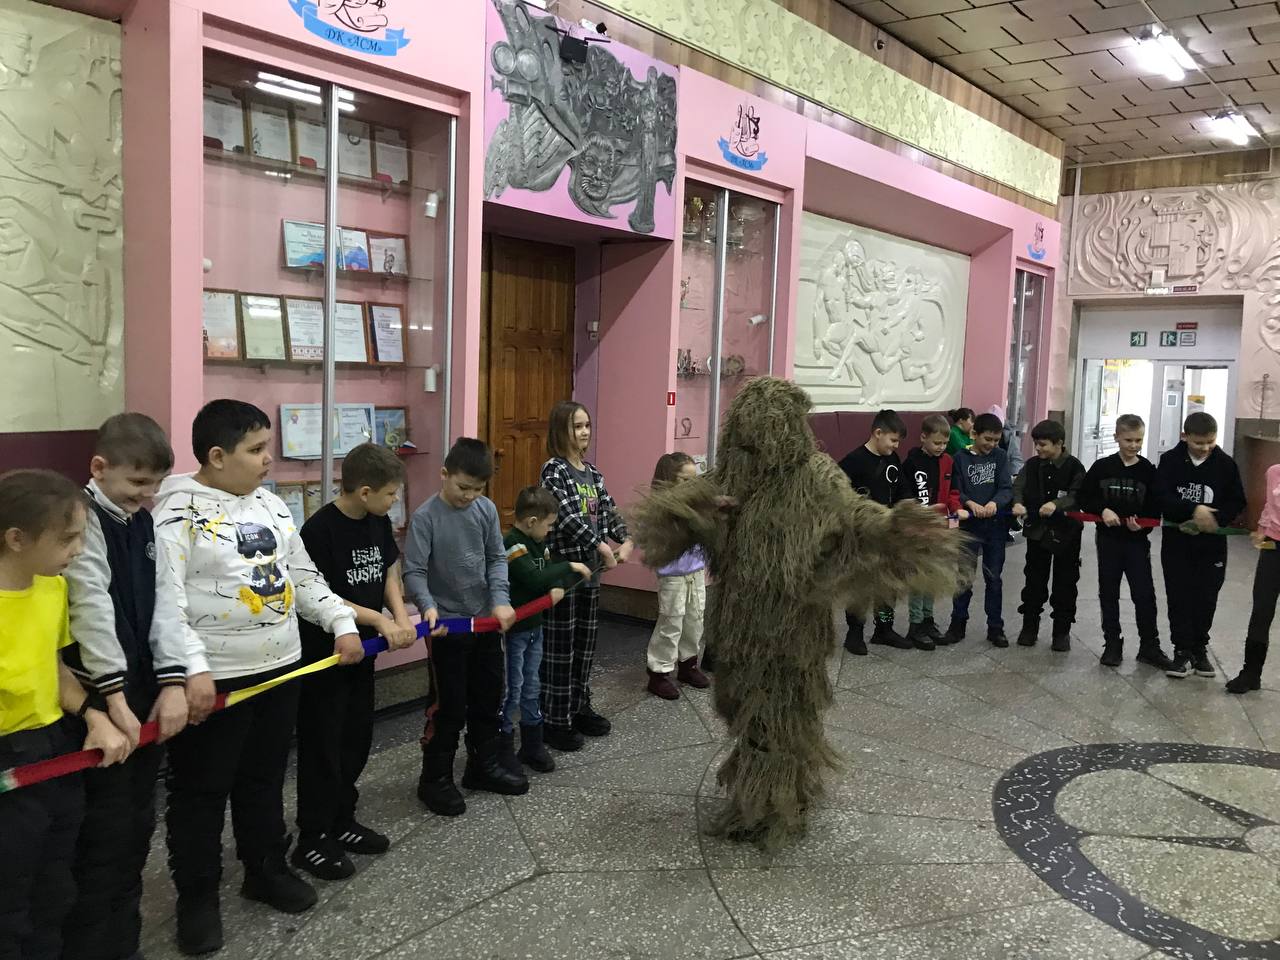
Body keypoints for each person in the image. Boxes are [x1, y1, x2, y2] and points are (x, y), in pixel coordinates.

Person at [629, 377, 962, 849]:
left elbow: (853, 513)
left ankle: (778, 803)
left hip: (794, 627)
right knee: (748, 713)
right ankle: (758, 798)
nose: (759, 443)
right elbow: (670, 518)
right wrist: (703, 511)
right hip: (741, 625)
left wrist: (895, 527)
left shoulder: (815, 474)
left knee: (787, 715)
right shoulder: (734, 474)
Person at [154, 400, 363, 956]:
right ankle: (197, 897)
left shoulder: (271, 505)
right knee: (201, 792)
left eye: (267, 446)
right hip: (217, 683)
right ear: (217, 456)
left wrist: (340, 621)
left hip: (280, 670)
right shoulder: (176, 512)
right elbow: (166, 601)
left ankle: (264, 868)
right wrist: (192, 668)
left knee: (264, 778)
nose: (269, 459)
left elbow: (302, 576)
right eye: (256, 449)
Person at [62, 414, 190, 960]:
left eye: (154, 485)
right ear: (100, 468)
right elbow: (90, 608)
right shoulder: (81, 519)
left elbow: (165, 602)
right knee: (102, 837)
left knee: (137, 826)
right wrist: (113, 698)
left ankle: (124, 942)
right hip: (102, 699)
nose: (146, 495)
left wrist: (173, 679)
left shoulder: (143, 520)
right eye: (138, 482)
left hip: (142, 693)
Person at [0, 470, 130, 960]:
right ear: (16, 539)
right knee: (9, 898)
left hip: (53, 747)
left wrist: (94, 714)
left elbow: (54, 671)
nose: (78, 550)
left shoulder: (51, 588)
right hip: (8, 761)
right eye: (66, 539)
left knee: (54, 886)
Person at [292, 443, 417, 881]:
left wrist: (399, 615)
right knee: (323, 747)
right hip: (326, 657)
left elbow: (388, 570)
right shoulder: (319, 530)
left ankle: (342, 820)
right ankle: (312, 837)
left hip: (364, 652)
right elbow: (321, 594)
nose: (394, 502)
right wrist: (379, 620)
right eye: (390, 494)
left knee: (355, 739)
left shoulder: (376, 521)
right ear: (364, 492)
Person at [404, 438, 519, 817]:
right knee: (448, 705)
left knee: (489, 695)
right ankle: (434, 778)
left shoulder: (485, 510)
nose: (469, 496)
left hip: (485, 622)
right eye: (463, 487)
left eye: (478, 489)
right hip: (447, 629)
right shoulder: (426, 517)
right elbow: (414, 571)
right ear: (444, 474)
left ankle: (482, 766)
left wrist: (500, 599)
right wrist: (428, 607)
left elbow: (496, 559)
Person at [539, 401, 633, 752]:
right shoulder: (554, 470)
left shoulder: (593, 473)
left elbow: (608, 511)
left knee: (584, 647)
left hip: (591, 577)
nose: (584, 432)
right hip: (564, 576)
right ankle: (555, 719)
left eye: (587, 425)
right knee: (560, 650)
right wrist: (601, 545)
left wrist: (626, 539)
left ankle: (579, 706)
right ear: (560, 430)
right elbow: (565, 516)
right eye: (576, 426)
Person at [502, 485, 591, 768]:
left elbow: (549, 574)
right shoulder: (513, 544)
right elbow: (534, 579)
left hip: (534, 629)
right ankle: (503, 750)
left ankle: (532, 745)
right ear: (532, 522)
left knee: (533, 687)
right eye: (549, 525)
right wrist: (570, 567)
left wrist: (557, 583)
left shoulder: (540, 543)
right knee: (512, 690)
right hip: (515, 633)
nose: (550, 531)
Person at [1077, 414, 1172, 670]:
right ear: (1116, 437)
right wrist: (1102, 509)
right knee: (1108, 591)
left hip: (1137, 543)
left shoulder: (1148, 471)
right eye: (1128, 440)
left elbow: (1155, 506)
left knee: (1144, 593)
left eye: (1138, 440)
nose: (1133, 445)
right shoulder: (1102, 467)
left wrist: (1142, 524)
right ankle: (1112, 643)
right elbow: (1085, 497)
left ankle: (1149, 646)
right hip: (1108, 541)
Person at [1156, 412, 1246, 681]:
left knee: (1206, 596)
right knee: (1179, 595)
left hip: (1212, 546)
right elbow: (1161, 497)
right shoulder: (1170, 461)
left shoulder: (1226, 464)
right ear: (1185, 436)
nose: (1205, 448)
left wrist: (1215, 518)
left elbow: (1237, 501)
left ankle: (1199, 648)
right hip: (1177, 544)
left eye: (1210, 442)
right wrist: (1193, 510)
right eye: (1199, 443)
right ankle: (1181, 650)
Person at [838, 409, 909, 652]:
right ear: (878, 433)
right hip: (862, 536)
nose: (896, 446)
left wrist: (905, 510)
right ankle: (854, 633)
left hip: (888, 533)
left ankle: (884, 629)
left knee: (888, 583)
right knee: (860, 585)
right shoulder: (854, 461)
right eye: (893, 440)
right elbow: (839, 495)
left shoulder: (893, 459)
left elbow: (901, 489)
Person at [1011, 419, 1084, 652]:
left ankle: (1061, 632)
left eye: (1043, 444)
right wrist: (1018, 502)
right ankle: (1029, 627)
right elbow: (1018, 486)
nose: (1038, 448)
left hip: (1066, 534)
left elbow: (1078, 494)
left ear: (1059, 443)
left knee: (1065, 582)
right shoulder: (1032, 465)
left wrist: (1056, 504)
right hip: (1037, 532)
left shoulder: (1074, 467)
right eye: (1036, 444)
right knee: (1034, 580)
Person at [645, 453, 709, 699]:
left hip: (696, 571)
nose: (691, 485)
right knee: (671, 622)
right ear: (668, 480)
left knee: (695, 619)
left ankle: (688, 665)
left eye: (694, 480)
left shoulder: (695, 504)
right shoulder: (660, 508)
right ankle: (659, 673)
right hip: (673, 575)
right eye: (685, 480)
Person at [899, 414, 966, 649]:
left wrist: (955, 513)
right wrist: (918, 516)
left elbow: (953, 493)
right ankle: (915, 624)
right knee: (919, 577)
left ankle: (928, 620)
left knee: (933, 575)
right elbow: (906, 495)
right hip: (919, 528)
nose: (941, 447)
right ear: (923, 437)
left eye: (945, 443)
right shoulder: (911, 463)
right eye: (936, 443)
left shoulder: (948, 461)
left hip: (941, 527)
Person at [947, 411, 1013, 647]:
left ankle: (995, 627)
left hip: (995, 527)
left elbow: (1006, 487)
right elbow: (956, 490)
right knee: (963, 578)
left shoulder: (1000, 456)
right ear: (974, 434)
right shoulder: (960, 458)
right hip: (968, 526)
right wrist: (970, 503)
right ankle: (957, 623)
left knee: (994, 578)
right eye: (987, 439)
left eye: (996, 440)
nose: (991, 444)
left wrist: (995, 503)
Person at [1230, 463, 1280, 693]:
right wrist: (1261, 530)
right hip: (1273, 546)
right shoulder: (1274, 472)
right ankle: (1251, 673)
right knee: (1262, 610)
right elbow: (1270, 507)